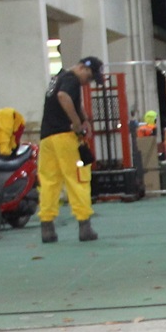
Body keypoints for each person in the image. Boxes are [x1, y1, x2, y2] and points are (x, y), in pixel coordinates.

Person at [36, 55, 102, 243]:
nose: (88, 83)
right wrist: (77, 124)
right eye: (89, 78)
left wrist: (84, 119)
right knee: (77, 178)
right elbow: (63, 97)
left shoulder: (59, 77)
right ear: (83, 67)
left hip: (47, 138)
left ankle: (47, 227)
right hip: (65, 137)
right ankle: (84, 226)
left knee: (49, 182)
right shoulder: (72, 80)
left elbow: (69, 100)